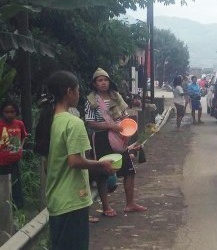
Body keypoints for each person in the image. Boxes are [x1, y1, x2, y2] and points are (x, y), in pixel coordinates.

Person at [34, 71, 114, 250]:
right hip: (72, 199)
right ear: (69, 92)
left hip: (56, 199)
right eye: (77, 90)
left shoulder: (49, 120)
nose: (79, 94)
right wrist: (101, 164)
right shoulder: (73, 123)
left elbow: (49, 162)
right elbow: (75, 161)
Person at [85, 68, 147, 218]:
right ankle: (106, 206)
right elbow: (90, 122)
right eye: (100, 80)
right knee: (103, 173)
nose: (103, 83)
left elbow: (125, 117)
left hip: (120, 136)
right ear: (94, 83)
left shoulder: (116, 97)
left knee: (130, 170)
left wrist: (125, 133)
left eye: (105, 80)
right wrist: (111, 126)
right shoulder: (91, 100)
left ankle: (130, 203)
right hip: (101, 139)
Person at [0, 100, 27, 209]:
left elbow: (24, 136)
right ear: (2, 112)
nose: (10, 114)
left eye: (12, 112)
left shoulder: (19, 124)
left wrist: (20, 147)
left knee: (16, 185)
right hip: (2, 163)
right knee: (4, 186)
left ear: (16, 112)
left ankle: (18, 209)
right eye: (7, 112)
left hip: (15, 162)